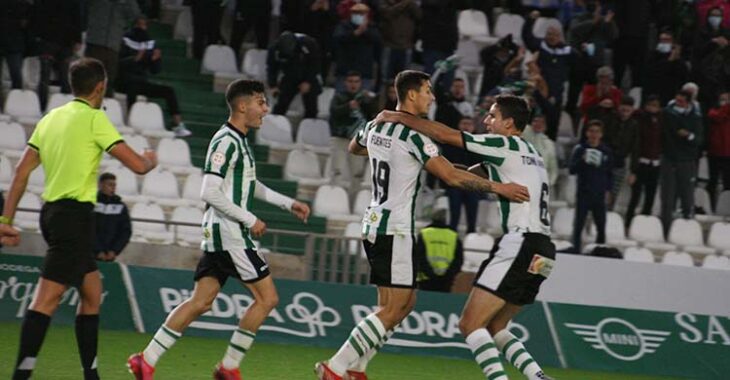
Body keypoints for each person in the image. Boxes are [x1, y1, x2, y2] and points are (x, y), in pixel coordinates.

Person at [314, 72, 530, 380]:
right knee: (394, 307)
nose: (432, 97)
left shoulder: (375, 125)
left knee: (399, 304)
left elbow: (354, 147)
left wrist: (381, 151)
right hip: (396, 227)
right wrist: (500, 189)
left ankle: (356, 369)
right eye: (427, 91)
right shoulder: (416, 137)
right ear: (412, 95)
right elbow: (452, 177)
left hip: (374, 223)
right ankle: (335, 368)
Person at [127, 79, 311, 380]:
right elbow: (209, 192)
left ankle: (145, 360)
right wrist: (250, 220)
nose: (265, 109)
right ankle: (228, 367)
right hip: (231, 234)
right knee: (268, 299)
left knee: (201, 302)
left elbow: (250, 185)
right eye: (260, 102)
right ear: (242, 105)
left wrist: (287, 203)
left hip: (221, 233)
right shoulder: (225, 141)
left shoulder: (239, 140)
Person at [374, 94, 555, 380]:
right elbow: (462, 176)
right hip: (544, 251)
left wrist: (398, 117)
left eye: (492, 116)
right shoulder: (530, 153)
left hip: (521, 243)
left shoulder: (502, 144)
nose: (486, 120)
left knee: (470, 324)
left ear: (509, 123)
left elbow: (447, 135)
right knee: (496, 328)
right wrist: (426, 162)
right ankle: (539, 378)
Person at [2, 57, 158, 380]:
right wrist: (150, 159)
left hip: (53, 215)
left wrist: (5, 220)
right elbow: (138, 167)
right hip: (75, 217)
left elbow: (20, 174)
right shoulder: (94, 119)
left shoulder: (50, 119)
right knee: (47, 298)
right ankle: (21, 373)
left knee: (91, 292)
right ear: (99, 88)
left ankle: (91, 374)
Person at [117, 16, 192, 137]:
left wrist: (155, 60)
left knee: (168, 91)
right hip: (123, 80)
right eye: (140, 25)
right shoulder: (124, 40)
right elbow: (119, 64)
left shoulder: (149, 43)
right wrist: (136, 58)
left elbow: (155, 71)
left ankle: (178, 124)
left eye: (144, 25)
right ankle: (131, 123)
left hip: (141, 81)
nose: (142, 29)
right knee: (133, 87)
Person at [660, 90, 703, 234]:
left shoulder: (695, 118)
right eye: (677, 100)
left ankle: (687, 231)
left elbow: (699, 140)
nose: (678, 104)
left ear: (688, 103)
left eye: (682, 102)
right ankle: (665, 230)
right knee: (667, 197)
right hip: (669, 159)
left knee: (687, 197)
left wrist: (689, 135)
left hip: (687, 161)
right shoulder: (667, 114)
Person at [329, 71, 378, 187]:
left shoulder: (365, 99)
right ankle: (333, 198)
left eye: (356, 81)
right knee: (337, 171)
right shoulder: (338, 97)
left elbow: (373, 116)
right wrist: (348, 107)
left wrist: (369, 101)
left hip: (357, 140)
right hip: (339, 139)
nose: (353, 84)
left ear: (360, 83)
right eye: (350, 81)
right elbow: (334, 112)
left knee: (357, 173)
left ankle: (353, 201)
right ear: (345, 83)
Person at [570, 120, 613, 252]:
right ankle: (575, 252)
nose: (594, 134)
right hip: (584, 193)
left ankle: (600, 253)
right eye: (592, 131)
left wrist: (609, 191)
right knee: (578, 226)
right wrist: (582, 160)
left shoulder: (606, 151)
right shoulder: (580, 149)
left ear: (601, 134)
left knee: (601, 227)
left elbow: (610, 173)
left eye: (597, 131)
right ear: (587, 133)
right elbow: (572, 169)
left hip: (599, 195)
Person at [85, 0, 141, 96]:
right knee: (90, 77)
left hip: (113, 46)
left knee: (109, 79)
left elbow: (135, 14)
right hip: (95, 42)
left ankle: (106, 106)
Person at [267, 31, 323, 119]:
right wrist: (272, 85)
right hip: (289, 75)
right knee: (281, 104)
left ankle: (309, 126)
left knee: (312, 107)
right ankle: (275, 124)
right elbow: (272, 67)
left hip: (307, 74)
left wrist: (308, 81)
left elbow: (315, 64)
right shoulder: (274, 49)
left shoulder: (309, 43)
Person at [626, 95, 663, 224]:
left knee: (650, 196)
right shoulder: (639, 119)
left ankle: (644, 223)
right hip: (641, 162)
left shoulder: (660, 121)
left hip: (655, 163)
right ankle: (628, 222)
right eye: (651, 104)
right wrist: (633, 169)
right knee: (635, 196)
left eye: (656, 105)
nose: (653, 108)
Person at [415, 198, 463, 292]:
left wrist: (430, 274)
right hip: (446, 281)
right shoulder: (453, 235)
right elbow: (458, 260)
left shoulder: (424, 233)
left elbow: (419, 258)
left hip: (425, 280)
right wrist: (448, 275)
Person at [332, 2, 382, 92]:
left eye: (362, 13)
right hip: (344, 70)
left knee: (364, 101)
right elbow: (338, 37)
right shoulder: (343, 25)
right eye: (356, 13)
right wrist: (356, 33)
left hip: (364, 72)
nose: (359, 15)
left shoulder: (372, 27)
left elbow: (377, 39)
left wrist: (365, 30)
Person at [94, 173, 131, 262]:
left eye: (114, 185)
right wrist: (97, 250)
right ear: (101, 185)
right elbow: (87, 229)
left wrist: (114, 251)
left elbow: (125, 231)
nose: (113, 188)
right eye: (110, 185)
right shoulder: (92, 203)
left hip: (109, 256)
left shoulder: (120, 206)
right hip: (90, 255)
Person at [707, 91, 730, 208]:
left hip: (728, 153)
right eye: (722, 99)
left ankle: (726, 207)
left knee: (728, 183)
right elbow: (717, 116)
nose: (724, 102)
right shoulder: (713, 112)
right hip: (714, 152)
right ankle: (711, 206)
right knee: (713, 182)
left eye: (726, 99)